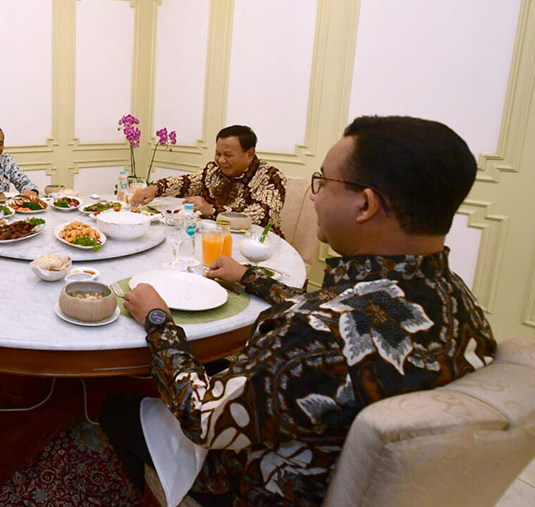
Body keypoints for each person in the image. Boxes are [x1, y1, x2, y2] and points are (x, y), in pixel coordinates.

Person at [100, 116, 496, 505]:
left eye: (323, 182)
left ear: (365, 204)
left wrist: (158, 320)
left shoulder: (314, 332)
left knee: (115, 406)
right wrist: (249, 277)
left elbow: (203, 420)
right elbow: (336, 308)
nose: (312, 195)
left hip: (253, 482)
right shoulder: (458, 300)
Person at [130, 125, 286, 236]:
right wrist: (155, 189)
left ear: (250, 154)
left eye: (228, 155)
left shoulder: (271, 178)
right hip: (213, 237)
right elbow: (187, 183)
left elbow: (262, 215)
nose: (221, 160)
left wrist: (212, 210)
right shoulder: (213, 170)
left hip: (257, 245)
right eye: (218, 154)